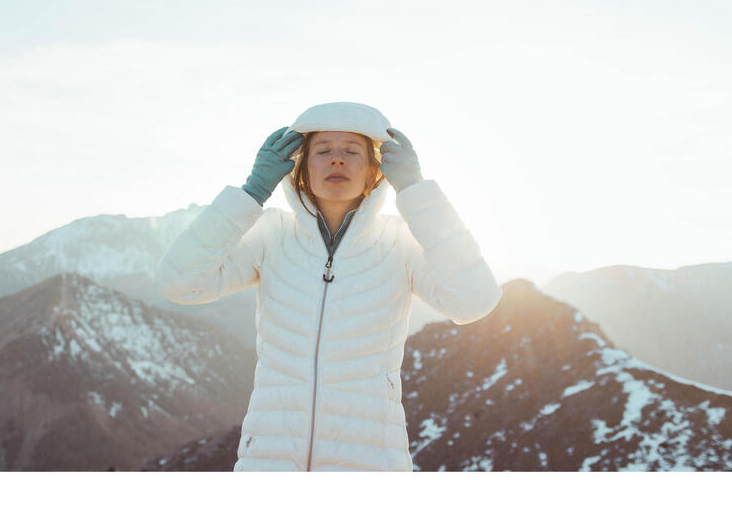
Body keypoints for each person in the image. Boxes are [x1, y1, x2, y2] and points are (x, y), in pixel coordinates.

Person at [154, 101, 502, 471]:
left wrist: (417, 192)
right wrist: (252, 192)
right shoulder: (271, 235)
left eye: (352, 151)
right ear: (300, 171)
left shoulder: (400, 243)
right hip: (268, 462)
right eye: (322, 151)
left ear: (375, 172)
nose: (337, 160)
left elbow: (474, 299)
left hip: (370, 464)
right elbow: (179, 283)